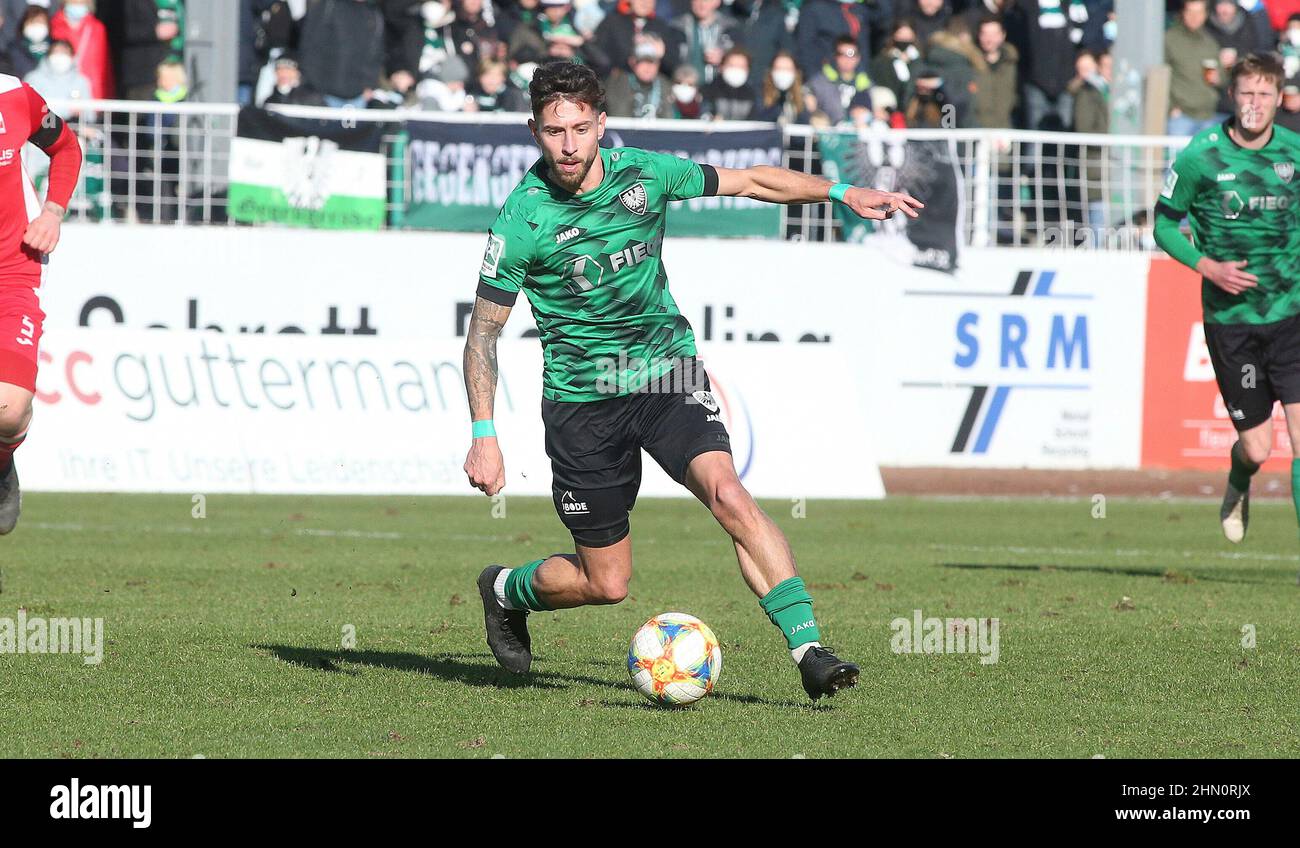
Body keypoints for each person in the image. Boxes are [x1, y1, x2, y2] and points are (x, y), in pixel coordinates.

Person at [463, 59, 922, 700]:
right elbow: (483, 333)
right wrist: (484, 432)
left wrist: (840, 193)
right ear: (533, 131)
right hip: (582, 404)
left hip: (664, 375)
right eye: (551, 131)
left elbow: (752, 181)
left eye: (578, 128)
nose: (567, 145)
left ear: (601, 123)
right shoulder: (522, 220)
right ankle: (505, 588)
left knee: (728, 494)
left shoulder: (645, 175)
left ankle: (811, 651)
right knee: (607, 583)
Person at [1151, 53, 1300, 549]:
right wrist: (1206, 266)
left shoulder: (1294, 154)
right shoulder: (1201, 156)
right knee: (1259, 448)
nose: (1254, 103)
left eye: (1264, 94)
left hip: (1291, 316)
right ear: (1231, 96)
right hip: (1232, 322)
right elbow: (1163, 223)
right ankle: (1239, 482)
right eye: (1246, 93)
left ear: (1279, 98)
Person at [0, 70, 84, 534]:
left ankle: (3, 465)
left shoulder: (13, 94)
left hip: (12, 270)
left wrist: (53, 212)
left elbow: (66, 147)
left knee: (9, 411)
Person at [1164, 0, 1223, 136]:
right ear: (1183, 13)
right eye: (1190, 12)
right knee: (1179, 157)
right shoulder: (1170, 39)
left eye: (1199, 12)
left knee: (1205, 157)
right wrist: (1171, 108)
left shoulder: (1210, 42)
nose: (1194, 17)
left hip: (1208, 115)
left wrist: (1218, 77)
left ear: (1205, 15)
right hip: (1181, 116)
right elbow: (1160, 76)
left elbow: (1222, 78)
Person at [51, 0, 115, 100]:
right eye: (74, 2)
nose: (78, 4)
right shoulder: (54, 25)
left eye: (81, 2)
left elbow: (104, 65)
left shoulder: (97, 28)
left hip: (92, 93)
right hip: (58, 92)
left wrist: (106, 95)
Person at [808, 34, 871, 125]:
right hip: (828, 133)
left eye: (851, 54)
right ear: (835, 56)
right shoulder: (818, 83)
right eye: (842, 54)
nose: (847, 59)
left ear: (858, 58)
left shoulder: (867, 84)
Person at [604, 36, 674, 118]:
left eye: (651, 62)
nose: (648, 67)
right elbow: (619, 115)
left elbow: (669, 118)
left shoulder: (664, 84)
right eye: (643, 62)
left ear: (658, 65)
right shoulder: (620, 82)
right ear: (633, 63)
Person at [24, 39, 94, 103]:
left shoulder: (81, 81)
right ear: (48, 56)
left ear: (72, 57)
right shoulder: (32, 79)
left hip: (72, 117)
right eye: (55, 52)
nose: (59, 57)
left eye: (64, 53)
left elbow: (88, 113)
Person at [701, 46, 757, 119]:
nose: (736, 70)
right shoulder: (707, 91)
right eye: (732, 65)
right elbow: (702, 113)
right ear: (721, 67)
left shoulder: (753, 94)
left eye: (741, 66)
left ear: (748, 70)